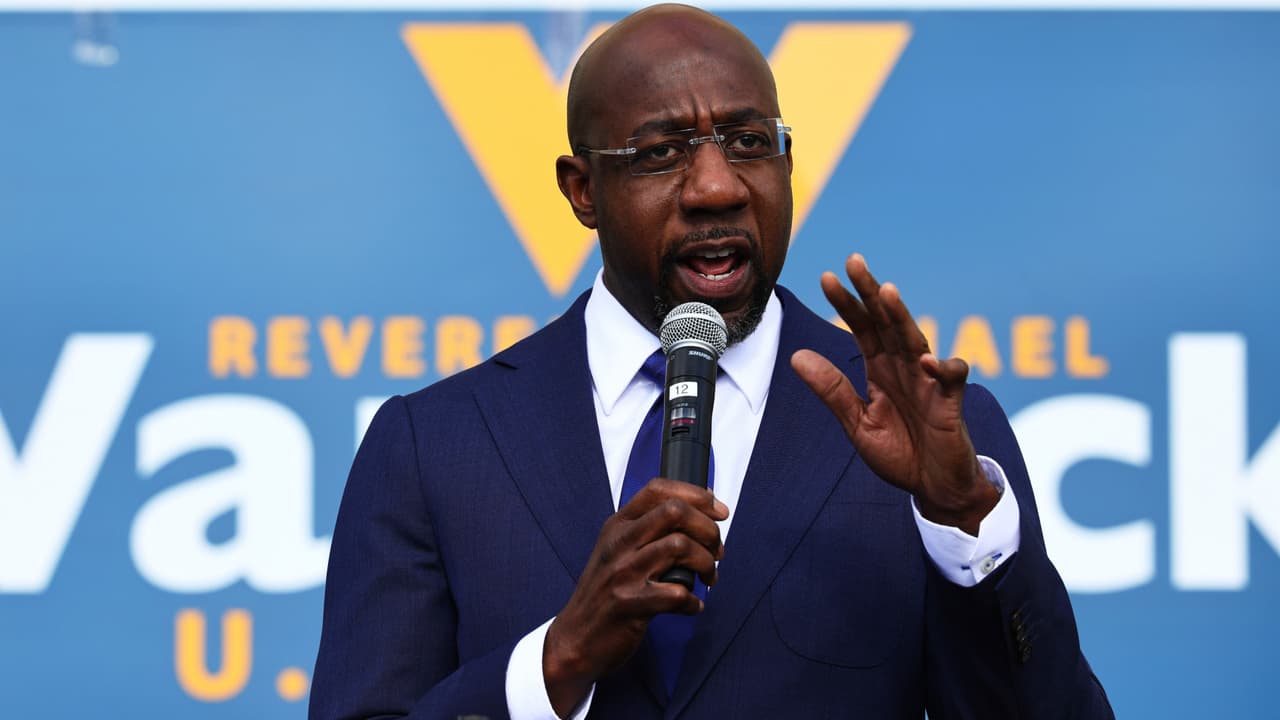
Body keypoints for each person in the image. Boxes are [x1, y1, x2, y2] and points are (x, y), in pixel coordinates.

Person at [310, 4, 1113, 718]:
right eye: (662, 153)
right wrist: (556, 662)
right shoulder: (433, 446)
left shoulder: (928, 430)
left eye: (749, 143)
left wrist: (964, 522)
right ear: (583, 189)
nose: (717, 187)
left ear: (787, 164)